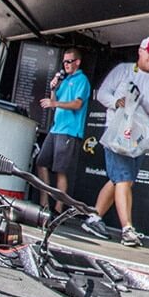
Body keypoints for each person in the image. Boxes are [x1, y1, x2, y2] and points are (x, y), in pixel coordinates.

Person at [81, 36, 149, 247]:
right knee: (122, 179)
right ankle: (127, 229)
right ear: (140, 51)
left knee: (121, 180)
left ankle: (93, 218)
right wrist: (116, 102)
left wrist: (142, 100)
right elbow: (102, 94)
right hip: (118, 133)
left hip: (140, 137)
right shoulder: (123, 70)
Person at [34, 47, 90, 213]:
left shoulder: (82, 80)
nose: (65, 64)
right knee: (41, 162)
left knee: (60, 170)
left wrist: (55, 103)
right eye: (64, 62)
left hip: (69, 131)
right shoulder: (64, 81)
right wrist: (53, 89)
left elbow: (77, 104)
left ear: (77, 62)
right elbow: (53, 103)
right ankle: (45, 204)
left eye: (69, 61)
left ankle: (58, 209)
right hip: (56, 129)